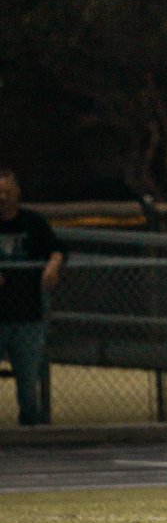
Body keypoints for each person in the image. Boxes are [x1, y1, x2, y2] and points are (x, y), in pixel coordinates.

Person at [0, 168, 64, 425]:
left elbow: (56, 249)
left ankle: (30, 425)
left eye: (7, 192)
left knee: (27, 379)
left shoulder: (33, 222)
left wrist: (53, 264)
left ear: (17, 193)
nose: (2, 198)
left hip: (27, 315)